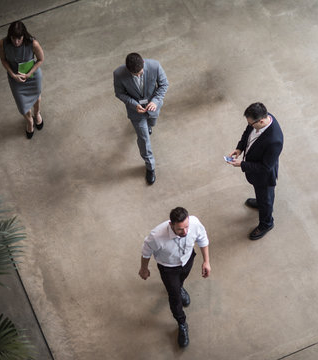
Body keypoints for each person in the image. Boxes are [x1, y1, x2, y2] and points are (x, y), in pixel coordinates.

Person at [139, 207, 211, 348]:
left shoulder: (194, 223)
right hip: (168, 268)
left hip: (187, 260)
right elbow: (146, 252)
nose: (184, 232)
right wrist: (144, 268)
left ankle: (180, 286)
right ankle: (181, 322)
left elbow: (202, 239)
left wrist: (206, 261)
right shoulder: (156, 236)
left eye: (186, 227)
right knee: (174, 296)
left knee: (180, 282)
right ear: (171, 225)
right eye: (180, 229)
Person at [227, 102, 284, 240]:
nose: (250, 125)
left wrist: (243, 164)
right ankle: (260, 202)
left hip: (264, 177)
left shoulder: (274, 140)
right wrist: (240, 148)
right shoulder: (258, 120)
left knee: (266, 199)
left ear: (262, 120)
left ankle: (266, 223)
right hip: (256, 173)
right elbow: (247, 132)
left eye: (252, 124)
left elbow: (265, 167)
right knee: (262, 197)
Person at [113, 53, 169, 185]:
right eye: (135, 75)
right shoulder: (118, 74)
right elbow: (119, 93)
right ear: (128, 70)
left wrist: (155, 101)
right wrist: (134, 104)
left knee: (152, 123)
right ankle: (150, 167)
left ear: (143, 62)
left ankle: (149, 126)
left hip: (153, 108)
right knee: (144, 139)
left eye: (140, 73)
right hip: (136, 112)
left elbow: (164, 84)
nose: (138, 76)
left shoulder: (155, 66)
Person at [0, 21, 44, 139]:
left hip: (32, 76)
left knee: (36, 96)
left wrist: (29, 74)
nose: (16, 42)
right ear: (10, 36)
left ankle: (37, 113)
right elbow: (3, 60)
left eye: (19, 38)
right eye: (13, 38)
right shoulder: (2, 44)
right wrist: (13, 75)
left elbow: (40, 59)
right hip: (15, 78)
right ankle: (29, 121)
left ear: (24, 35)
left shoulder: (33, 43)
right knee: (22, 104)